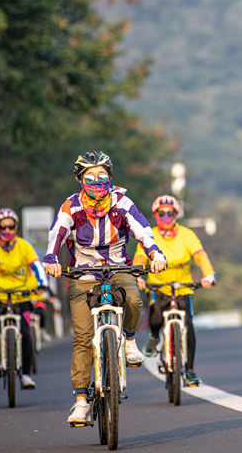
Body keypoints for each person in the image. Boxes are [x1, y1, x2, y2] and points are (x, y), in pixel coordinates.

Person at [42, 150, 166, 426]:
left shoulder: (122, 202)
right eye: (90, 177)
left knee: (133, 299)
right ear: (80, 180)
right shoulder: (71, 206)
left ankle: (130, 340)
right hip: (83, 274)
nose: (97, 182)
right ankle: (81, 402)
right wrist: (50, 258)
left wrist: (156, 253)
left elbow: (142, 230)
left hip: (118, 268)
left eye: (102, 176)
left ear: (110, 178)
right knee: (84, 338)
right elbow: (57, 234)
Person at [134, 194, 215, 387]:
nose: (166, 216)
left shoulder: (187, 235)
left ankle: (190, 371)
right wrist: (138, 277)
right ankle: (154, 338)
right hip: (157, 285)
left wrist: (209, 275)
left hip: (183, 287)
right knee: (155, 317)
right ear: (155, 214)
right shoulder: (149, 235)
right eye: (161, 213)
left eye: (170, 213)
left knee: (189, 325)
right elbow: (139, 258)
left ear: (176, 214)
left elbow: (200, 256)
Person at [0, 207, 46, 390]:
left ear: (16, 228)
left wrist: (42, 283)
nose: (7, 231)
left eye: (11, 227)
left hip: (21, 296)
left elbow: (36, 266)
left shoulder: (24, 246)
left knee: (26, 333)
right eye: (2, 227)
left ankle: (26, 375)